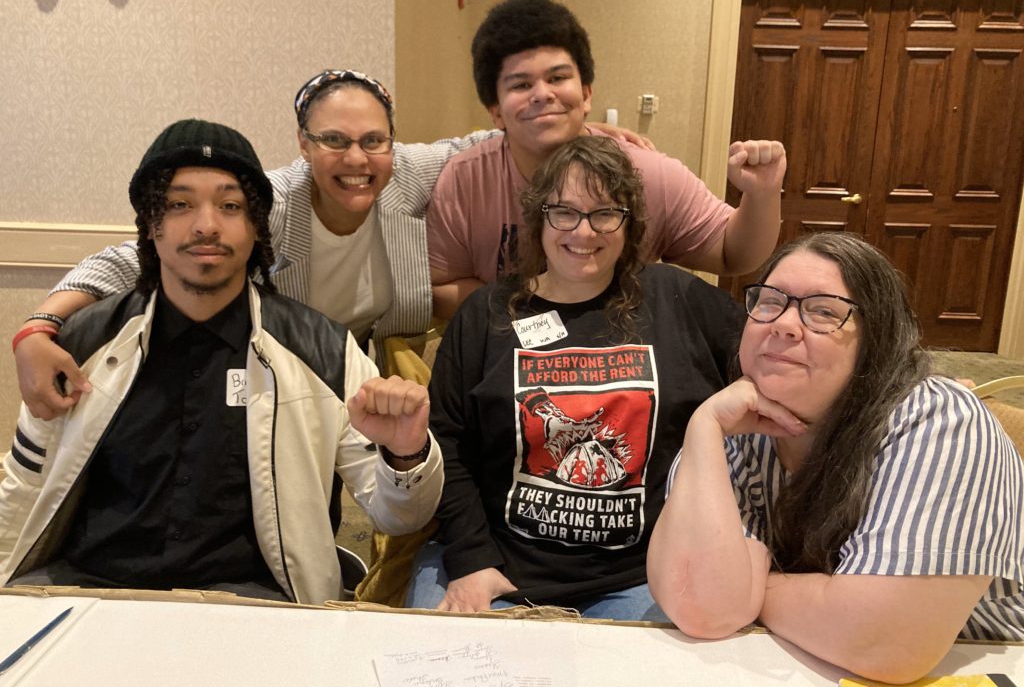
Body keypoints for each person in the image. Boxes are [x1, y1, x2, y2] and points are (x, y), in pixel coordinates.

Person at [15, 70, 651, 421]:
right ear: (303, 143)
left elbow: (489, 141)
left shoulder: (406, 172)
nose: (357, 159)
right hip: (280, 364)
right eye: (333, 141)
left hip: (369, 358)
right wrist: (38, 331)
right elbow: (126, 259)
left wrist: (577, 132)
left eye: (373, 140)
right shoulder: (264, 202)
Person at [0, 119, 443, 605]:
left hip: (254, 602)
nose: (206, 224)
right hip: (89, 589)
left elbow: (399, 516)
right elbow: (25, 481)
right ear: (152, 224)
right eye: (180, 204)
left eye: (230, 206)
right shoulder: (86, 340)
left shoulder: (322, 348)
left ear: (256, 226)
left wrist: (405, 455)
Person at [646, 232, 1024, 682]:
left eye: (823, 311)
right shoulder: (731, 426)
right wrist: (703, 428)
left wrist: (748, 590)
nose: (783, 324)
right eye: (769, 301)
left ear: (877, 341)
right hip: (791, 660)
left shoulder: (940, 422)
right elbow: (703, 608)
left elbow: (889, 644)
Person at [406, 136, 745, 619]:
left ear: (630, 224)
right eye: (564, 212)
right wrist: (472, 558)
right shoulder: (488, 313)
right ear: (539, 217)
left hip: (642, 575)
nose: (583, 232)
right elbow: (446, 443)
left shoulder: (678, 299)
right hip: (494, 566)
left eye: (605, 213)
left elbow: (767, 362)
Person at [427, 0, 787, 319]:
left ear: (586, 93)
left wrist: (762, 194)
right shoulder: (465, 180)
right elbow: (440, 289)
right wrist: (541, 313)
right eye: (521, 85)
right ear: (495, 110)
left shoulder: (648, 173)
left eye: (557, 77)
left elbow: (733, 254)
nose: (542, 94)